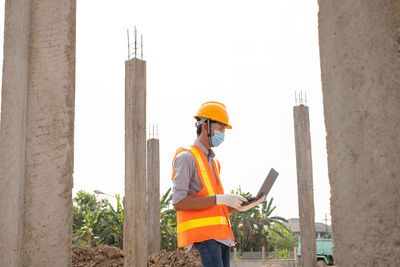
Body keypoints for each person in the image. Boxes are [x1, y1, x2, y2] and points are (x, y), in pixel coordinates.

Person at [171, 101, 266, 267]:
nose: (222, 134)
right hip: (205, 236)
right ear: (206, 126)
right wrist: (220, 199)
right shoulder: (187, 157)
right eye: (220, 128)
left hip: (222, 236)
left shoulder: (214, 163)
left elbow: (215, 204)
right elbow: (178, 202)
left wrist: (239, 205)